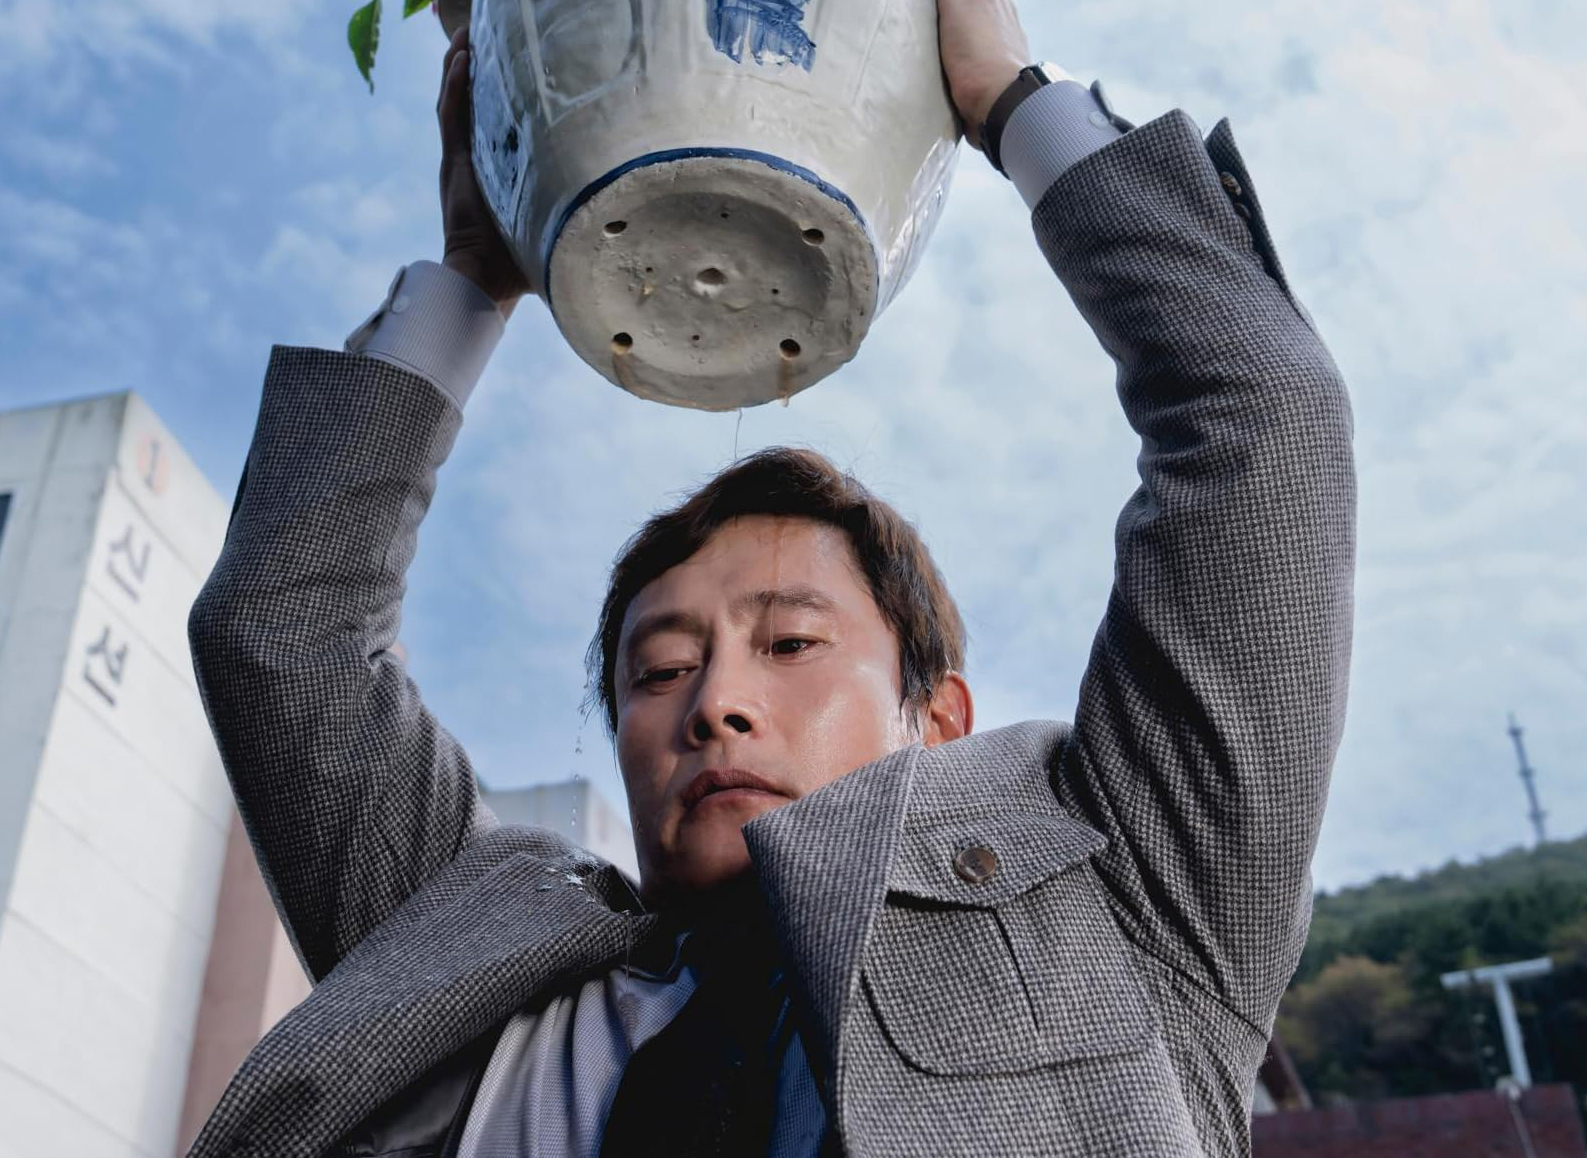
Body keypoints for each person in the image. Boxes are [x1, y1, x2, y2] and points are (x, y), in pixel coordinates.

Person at [184, 1, 1354, 1154]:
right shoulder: (457, 959)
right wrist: (472, 276)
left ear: (935, 719)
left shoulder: (1134, 897)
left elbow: (1262, 419)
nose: (714, 704)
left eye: (790, 644)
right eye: (659, 668)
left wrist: (1006, 95)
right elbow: (284, 632)